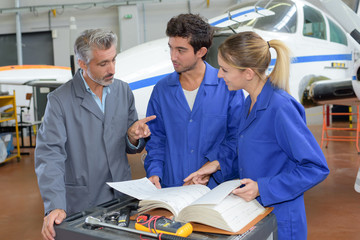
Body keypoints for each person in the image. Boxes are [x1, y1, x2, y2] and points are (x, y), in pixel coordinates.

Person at [184, 31, 330, 240]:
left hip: (281, 221)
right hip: (256, 216)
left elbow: (315, 168)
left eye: (225, 69)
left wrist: (263, 187)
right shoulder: (249, 103)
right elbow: (253, 155)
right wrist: (217, 165)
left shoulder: (280, 108)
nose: (219, 75)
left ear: (248, 73)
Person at [35, 29, 155, 240]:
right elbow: (49, 156)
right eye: (103, 64)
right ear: (82, 63)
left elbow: (129, 143)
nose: (112, 69)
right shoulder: (59, 101)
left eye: (113, 60)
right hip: (83, 201)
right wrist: (54, 205)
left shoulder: (123, 91)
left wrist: (133, 136)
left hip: (122, 197)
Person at [144, 13, 244, 189]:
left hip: (215, 189)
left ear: (201, 52)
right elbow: (156, 140)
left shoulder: (228, 88)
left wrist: (213, 164)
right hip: (172, 189)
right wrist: (154, 172)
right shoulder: (161, 91)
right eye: (171, 48)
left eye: (181, 50)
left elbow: (236, 138)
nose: (173, 56)